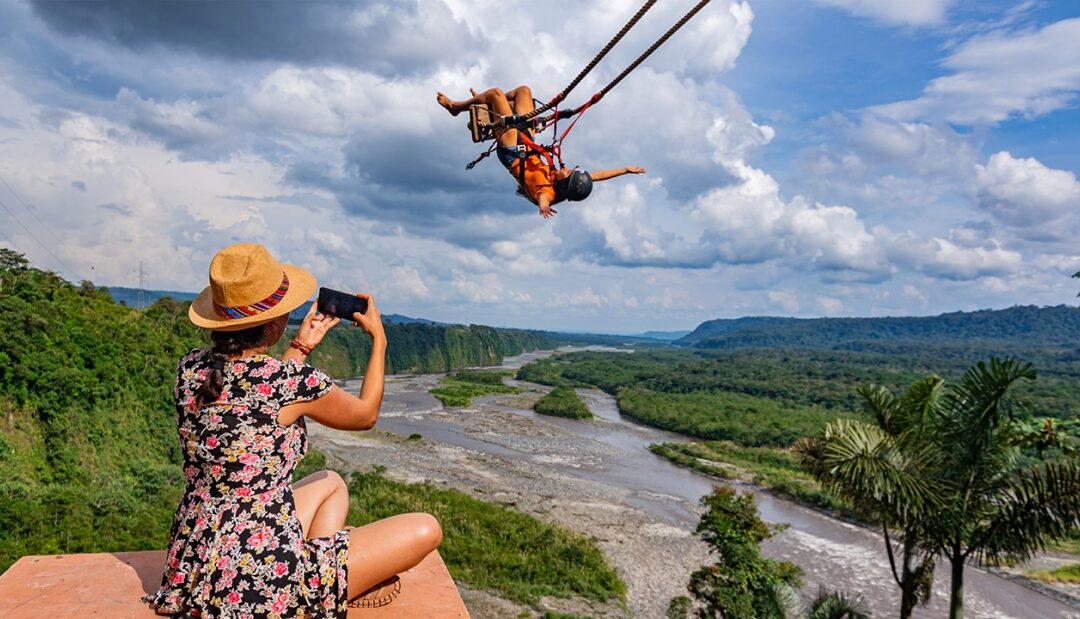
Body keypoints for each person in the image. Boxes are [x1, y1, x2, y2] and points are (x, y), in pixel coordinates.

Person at [143, 243, 442, 618]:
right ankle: (318, 586)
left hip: (199, 554)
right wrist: (379, 341)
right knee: (426, 529)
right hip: (256, 574)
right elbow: (365, 415)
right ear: (273, 324)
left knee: (331, 481)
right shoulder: (291, 382)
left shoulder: (191, 368)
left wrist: (302, 346)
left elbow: (258, 407)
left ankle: (322, 577)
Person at [437, 86, 645, 218]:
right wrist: (625, 170)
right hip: (527, 143)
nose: (568, 168)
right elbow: (597, 176)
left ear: (565, 184)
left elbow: (543, 198)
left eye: (569, 173)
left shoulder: (548, 192)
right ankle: (487, 102)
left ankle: (456, 107)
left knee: (495, 94)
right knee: (524, 91)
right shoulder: (563, 179)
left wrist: (543, 207)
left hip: (513, 151)